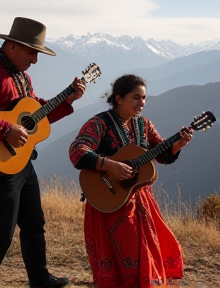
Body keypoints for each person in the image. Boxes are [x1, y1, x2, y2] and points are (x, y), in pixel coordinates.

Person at [0, 17, 86, 288]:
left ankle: (39, 279)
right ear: (13, 46)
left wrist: (68, 99)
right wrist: (5, 130)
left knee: (34, 224)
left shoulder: (21, 76)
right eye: (32, 52)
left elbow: (33, 112)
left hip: (21, 161)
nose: (35, 60)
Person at [69, 74, 193, 288]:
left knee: (144, 252)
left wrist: (178, 144)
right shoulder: (99, 124)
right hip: (108, 199)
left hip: (139, 199)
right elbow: (77, 151)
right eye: (136, 98)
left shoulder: (144, 125)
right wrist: (110, 165)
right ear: (119, 99)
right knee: (122, 256)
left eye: (144, 98)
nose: (142, 103)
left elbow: (162, 155)